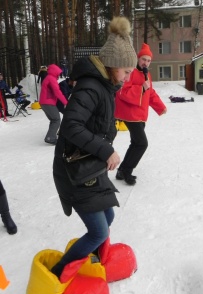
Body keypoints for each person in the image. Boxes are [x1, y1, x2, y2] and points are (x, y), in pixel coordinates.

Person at [50, 16, 137, 279]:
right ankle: (57, 274)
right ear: (112, 65)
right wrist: (106, 150)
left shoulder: (105, 86)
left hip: (90, 166)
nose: (127, 76)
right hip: (75, 171)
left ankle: (91, 261)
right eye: (125, 71)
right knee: (99, 231)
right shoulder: (90, 87)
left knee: (108, 217)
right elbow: (71, 127)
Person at [114, 43, 167, 185]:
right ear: (138, 58)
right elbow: (122, 92)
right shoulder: (130, 72)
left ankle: (122, 170)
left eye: (148, 60)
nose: (146, 62)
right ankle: (126, 171)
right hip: (130, 114)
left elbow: (150, 93)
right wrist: (141, 88)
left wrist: (160, 107)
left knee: (136, 143)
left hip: (141, 115)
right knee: (142, 144)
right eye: (144, 59)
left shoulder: (147, 74)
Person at [39, 64, 68, 145]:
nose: (59, 74)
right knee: (56, 119)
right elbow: (57, 92)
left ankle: (51, 136)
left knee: (53, 120)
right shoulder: (51, 79)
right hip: (48, 102)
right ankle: (50, 138)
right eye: (58, 73)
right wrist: (66, 102)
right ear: (55, 72)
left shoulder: (49, 78)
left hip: (45, 102)